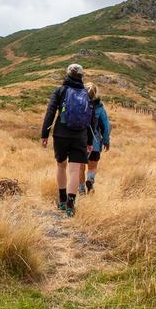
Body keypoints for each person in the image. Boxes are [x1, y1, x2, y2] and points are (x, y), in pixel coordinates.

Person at [40, 63, 93, 217]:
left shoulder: (60, 91)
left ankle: (62, 200)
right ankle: (71, 204)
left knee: (61, 166)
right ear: (81, 76)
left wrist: (45, 134)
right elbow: (91, 119)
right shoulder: (86, 93)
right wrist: (89, 141)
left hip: (61, 134)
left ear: (67, 74)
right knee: (75, 170)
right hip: (80, 136)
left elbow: (50, 112)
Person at [79, 83, 111, 195]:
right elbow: (106, 126)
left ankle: (81, 189)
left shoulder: (78, 104)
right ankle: (90, 179)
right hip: (95, 142)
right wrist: (106, 141)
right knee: (92, 166)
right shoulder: (100, 107)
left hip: (79, 140)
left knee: (80, 168)